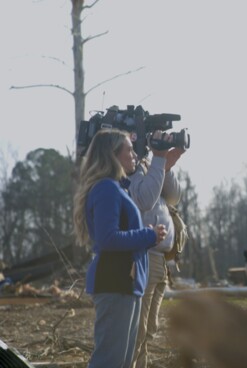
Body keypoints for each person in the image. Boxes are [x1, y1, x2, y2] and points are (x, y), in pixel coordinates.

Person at [73, 129, 167, 368]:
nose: (134, 154)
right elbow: (108, 238)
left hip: (126, 284)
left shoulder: (117, 187)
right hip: (115, 283)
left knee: (123, 362)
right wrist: (149, 235)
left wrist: (146, 234)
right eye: (128, 149)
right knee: (109, 362)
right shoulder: (107, 188)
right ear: (112, 155)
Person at [129, 131, 185, 368]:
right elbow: (145, 200)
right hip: (144, 255)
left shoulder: (148, 165)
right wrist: (157, 161)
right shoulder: (130, 168)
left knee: (150, 328)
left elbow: (173, 198)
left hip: (161, 259)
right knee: (138, 329)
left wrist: (165, 164)